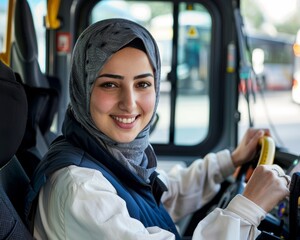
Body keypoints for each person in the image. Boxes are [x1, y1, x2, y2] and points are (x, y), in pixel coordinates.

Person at [27, 18, 290, 240]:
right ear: (82, 89)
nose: (129, 103)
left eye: (142, 84)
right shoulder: (79, 189)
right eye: (109, 84)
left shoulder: (110, 156)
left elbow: (161, 195)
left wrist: (230, 160)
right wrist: (248, 207)